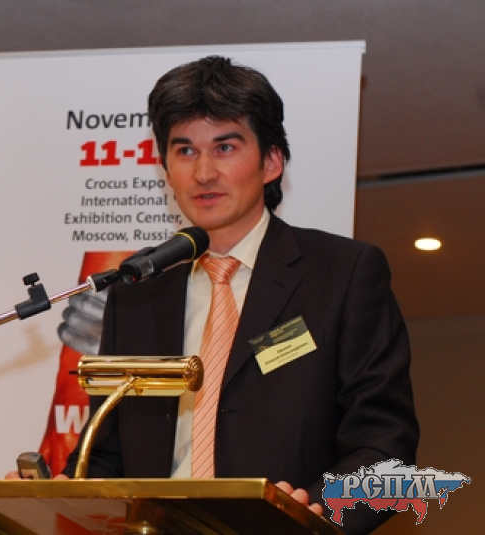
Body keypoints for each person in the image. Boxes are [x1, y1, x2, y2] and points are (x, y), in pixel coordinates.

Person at [56, 56, 420, 534]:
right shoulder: (138, 290)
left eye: (224, 147)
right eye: (185, 151)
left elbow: (387, 451)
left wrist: (313, 516)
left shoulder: (342, 273)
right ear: (165, 168)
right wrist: (57, 490)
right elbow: (107, 455)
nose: (204, 172)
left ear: (271, 161)